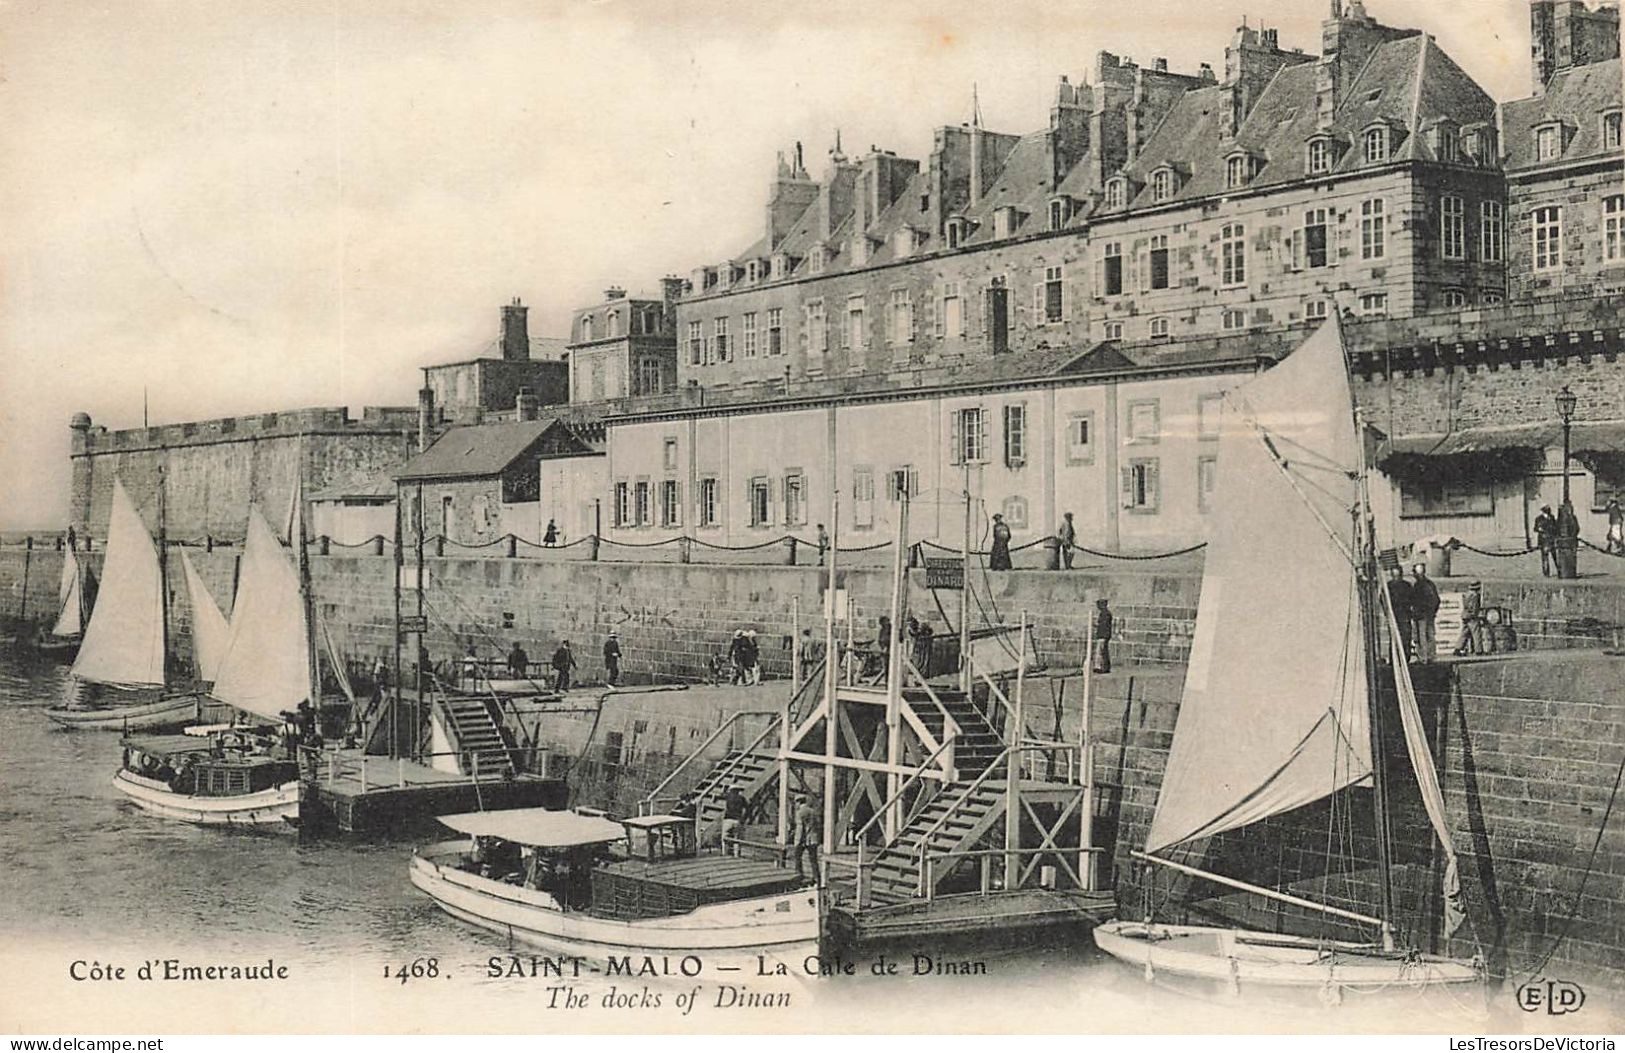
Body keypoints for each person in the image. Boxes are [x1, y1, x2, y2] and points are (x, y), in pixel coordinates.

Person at [1410, 563, 1441, 664]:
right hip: (1429, 614)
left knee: (1421, 636)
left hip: (1421, 615)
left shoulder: (1418, 586)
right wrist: (1432, 611)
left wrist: (1416, 612)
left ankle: (1423, 657)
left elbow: (1414, 600)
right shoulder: (1430, 584)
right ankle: (1431, 656)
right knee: (1430, 635)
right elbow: (1436, 600)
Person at [1386, 566, 1414, 662]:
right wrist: (1387, 611)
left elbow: (1412, 598)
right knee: (1393, 637)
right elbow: (1383, 599)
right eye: (1394, 576)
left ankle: (1406, 658)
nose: (1396, 578)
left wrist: (1409, 608)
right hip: (1393, 614)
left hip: (1405, 614)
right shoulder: (1388, 586)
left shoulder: (1407, 585)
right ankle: (1393, 658)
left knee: (1406, 636)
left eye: (1398, 576)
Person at [791, 793, 820, 882]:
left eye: (796, 803)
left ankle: (799, 873)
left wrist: (797, 842)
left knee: (797, 855)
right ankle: (816, 876)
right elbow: (817, 825)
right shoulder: (813, 811)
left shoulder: (799, 813)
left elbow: (800, 828)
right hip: (813, 838)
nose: (795, 805)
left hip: (804, 839)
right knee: (813, 859)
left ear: (799, 802)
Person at [1455, 582, 1485, 656]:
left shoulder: (1466, 594)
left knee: (1464, 633)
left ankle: (1458, 648)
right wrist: (1476, 615)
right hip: (1471, 616)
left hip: (1465, 615)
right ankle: (1479, 650)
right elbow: (1475, 607)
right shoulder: (1475, 595)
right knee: (1476, 633)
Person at [721, 786, 748, 857]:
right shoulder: (742, 798)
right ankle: (736, 855)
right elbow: (747, 808)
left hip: (728, 819)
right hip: (737, 819)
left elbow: (721, 795)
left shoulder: (728, 796)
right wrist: (743, 818)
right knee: (737, 838)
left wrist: (724, 789)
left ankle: (725, 853)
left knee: (725, 837)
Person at [1533, 505, 1558, 577]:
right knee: (1545, 557)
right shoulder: (1539, 518)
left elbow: (1555, 527)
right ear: (1543, 510)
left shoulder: (1552, 517)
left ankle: (1559, 570)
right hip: (1543, 540)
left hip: (1551, 539)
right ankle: (1546, 572)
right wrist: (1539, 529)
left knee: (1555, 556)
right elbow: (1535, 528)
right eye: (1547, 509)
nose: (1549, 510)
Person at [1091, 598, 1114, 674]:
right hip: (1104, 635)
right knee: (1103, 651)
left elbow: (1103, 625)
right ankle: (1104, 667)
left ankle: (1100, 667)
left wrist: (1096, 625)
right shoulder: (1106, 613)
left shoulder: (1105, 614)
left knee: (1100, 651)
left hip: (1103, 635)